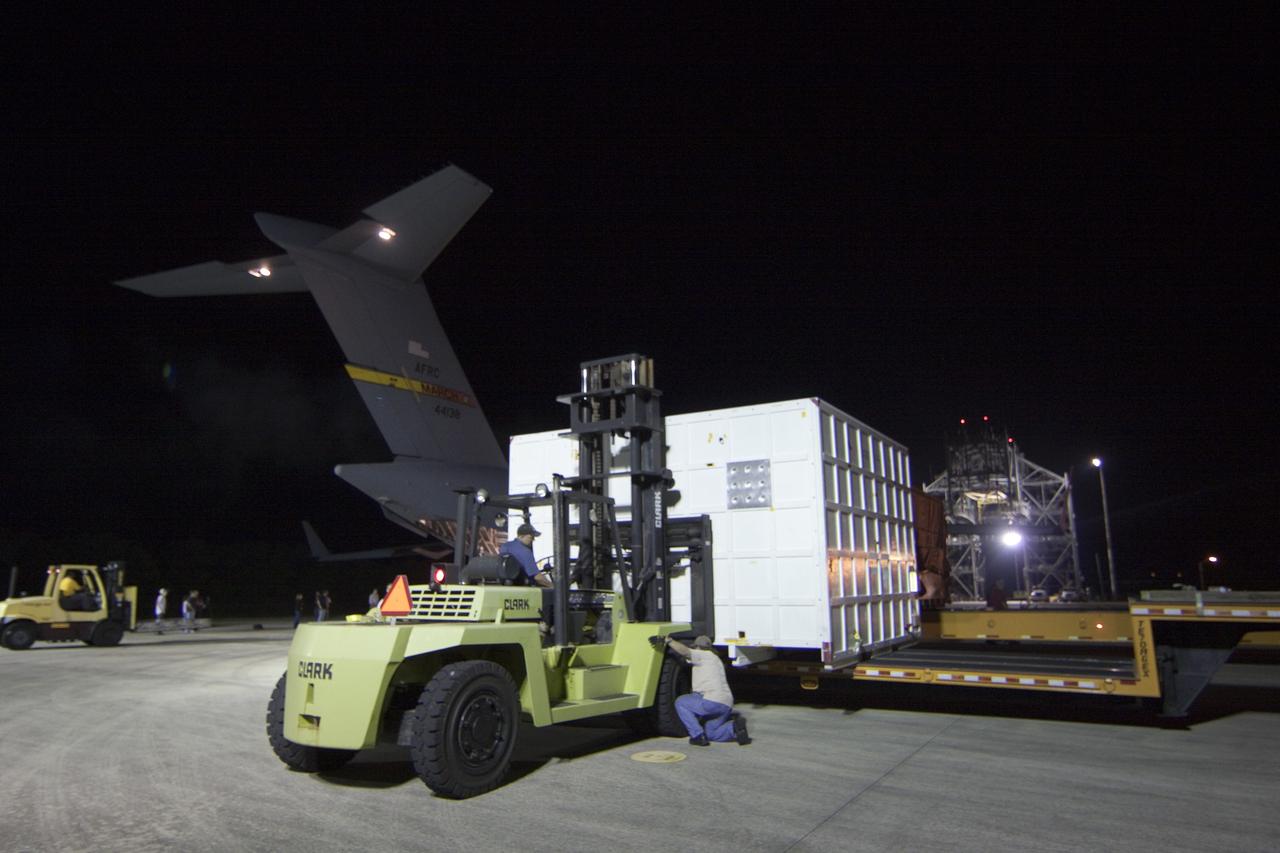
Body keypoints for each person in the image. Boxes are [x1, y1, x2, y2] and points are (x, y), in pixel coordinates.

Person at [662, 635, 750, 746]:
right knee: (711, 732)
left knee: (681, 702)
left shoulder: (702, 655)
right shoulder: (716, 659)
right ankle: (733, 728)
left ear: (698, 647)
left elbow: (685, 652)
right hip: (726, 705)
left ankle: (697, 735)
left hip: (712, 701)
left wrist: (668, 640)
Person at [498, 523, 553, 588]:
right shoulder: (525, 552)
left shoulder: (505, 546)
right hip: (521, 587)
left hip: (504, 584)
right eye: (531, 537)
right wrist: (553, 586)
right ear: (521, 536)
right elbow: (537, 577)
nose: (533, 540)